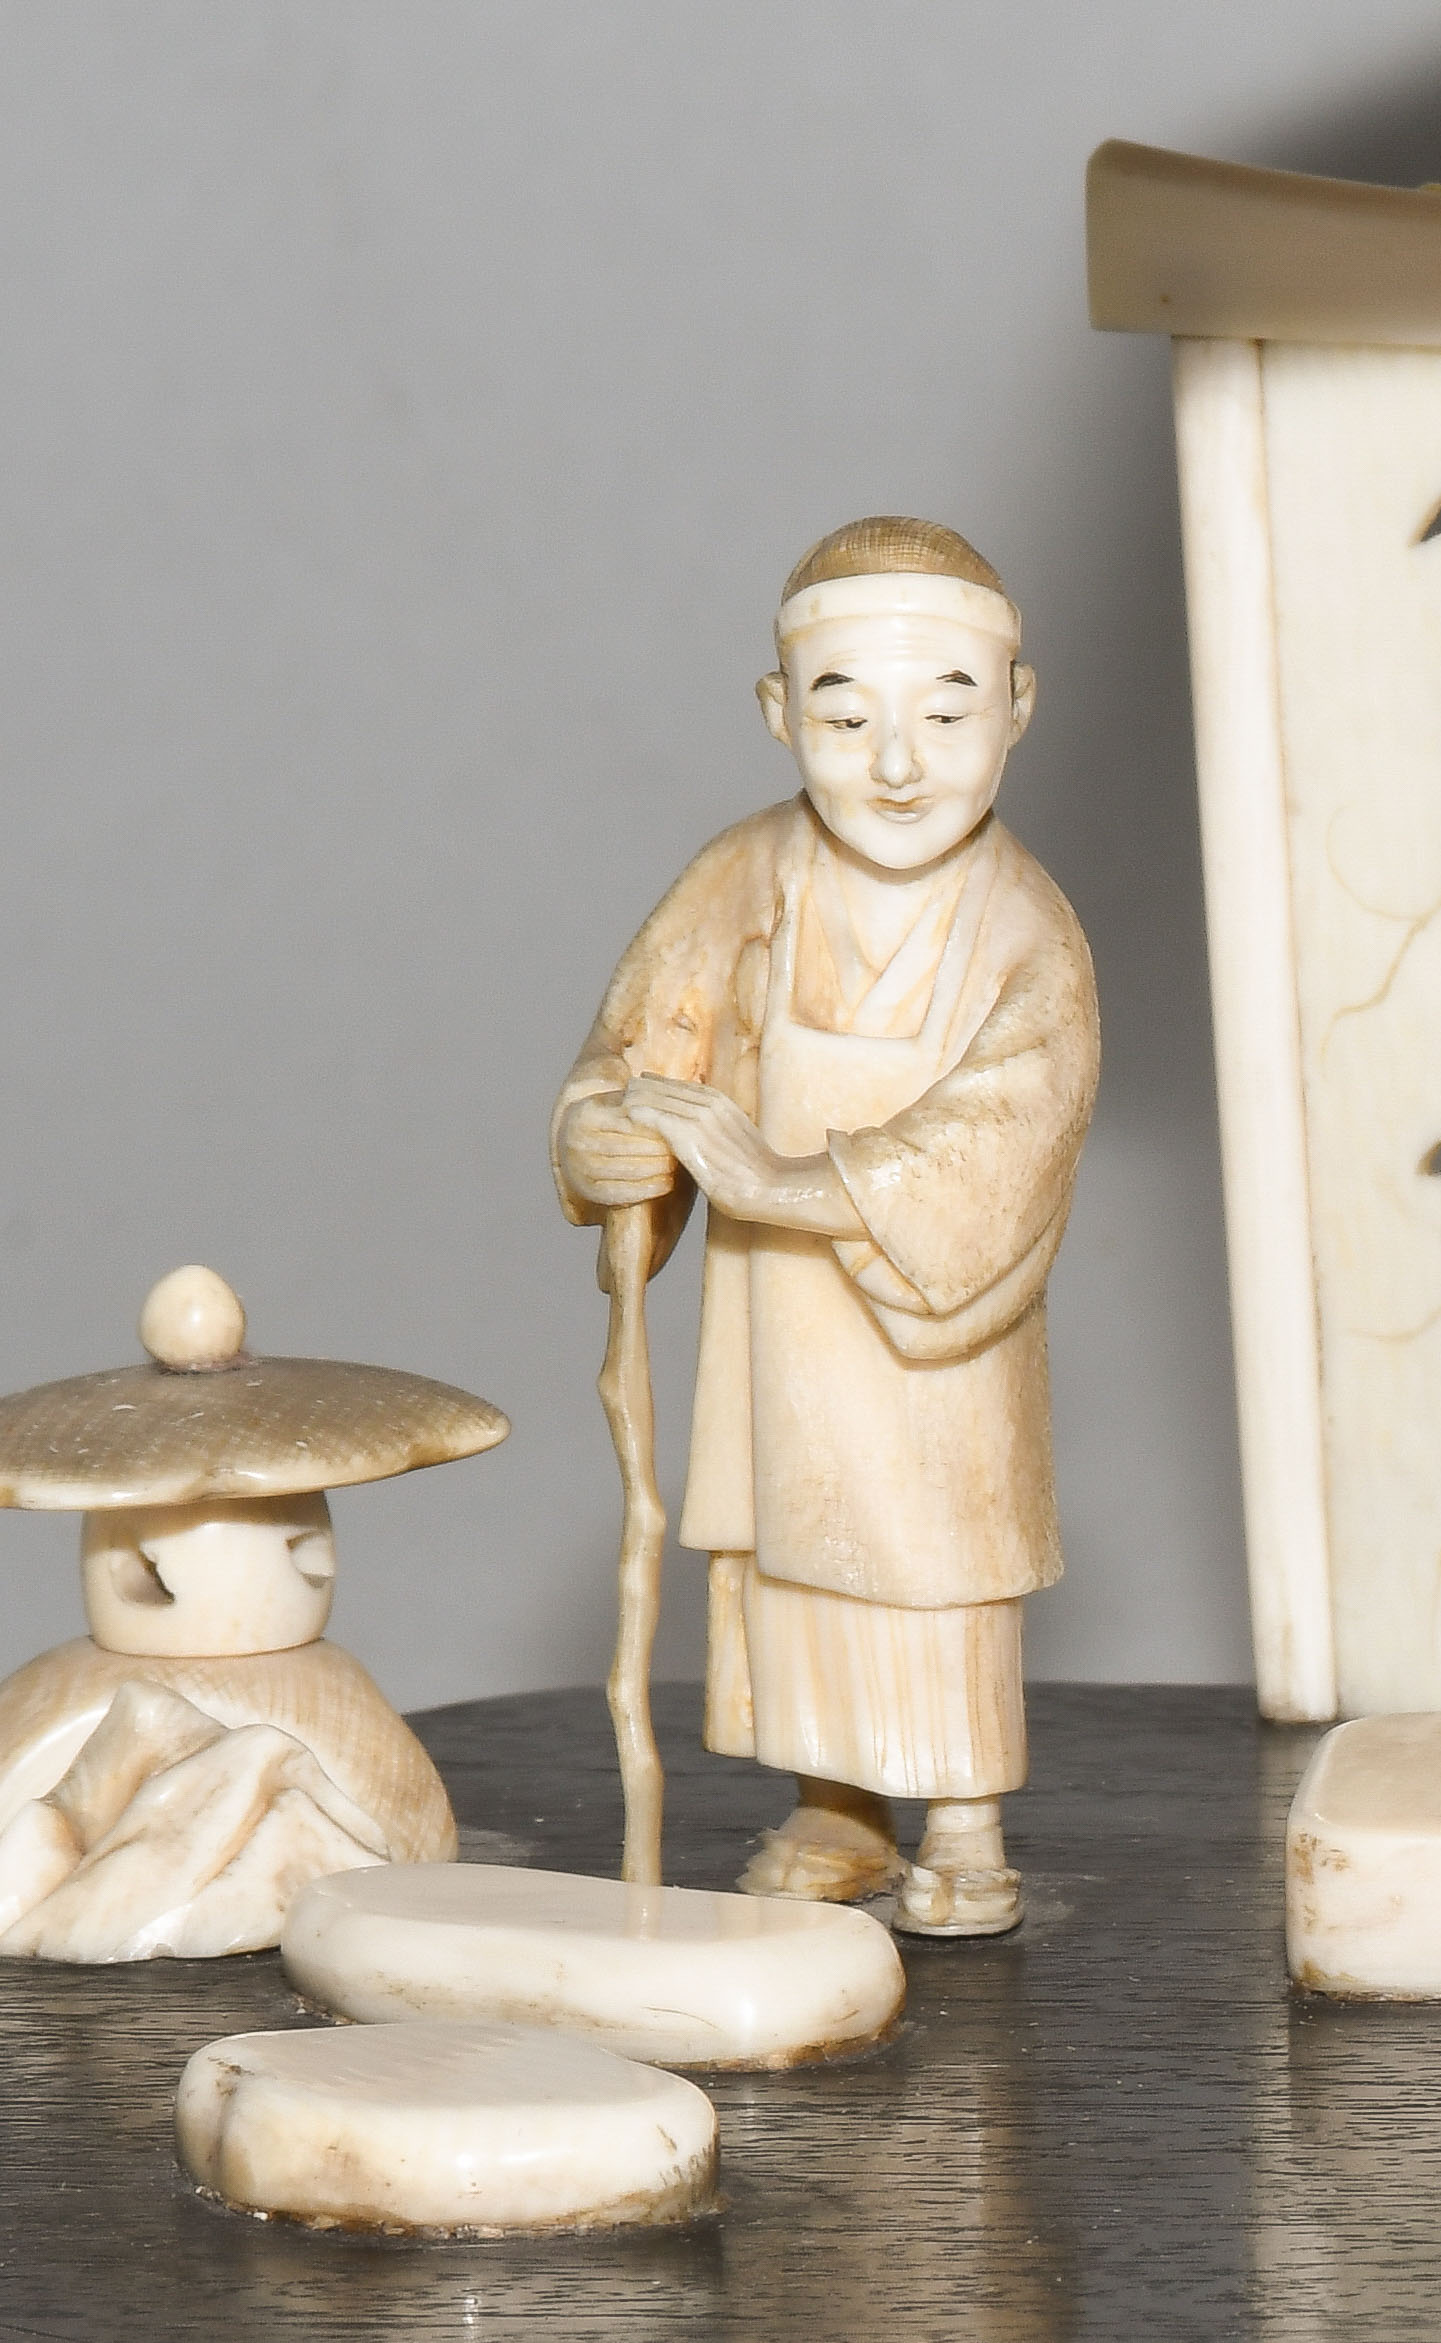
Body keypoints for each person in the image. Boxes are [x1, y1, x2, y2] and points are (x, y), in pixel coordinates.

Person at [551, 518, 1098, 1934]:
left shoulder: (1027, 927)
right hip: (780, 1314)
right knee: (790, 1543)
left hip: (927, 1328)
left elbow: (1005, 1135)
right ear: (778, 712)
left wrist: (791, 1186)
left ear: (1019, 707)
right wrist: (605, 1133)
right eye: (848, 718)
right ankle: (836, 1805)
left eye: (946, 714)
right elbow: (639, 1047)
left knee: (933, 1550)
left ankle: (961, 1822)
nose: (898, 762)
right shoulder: (742, 876)